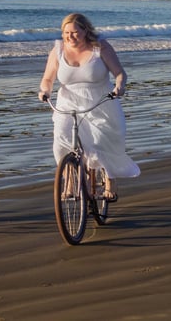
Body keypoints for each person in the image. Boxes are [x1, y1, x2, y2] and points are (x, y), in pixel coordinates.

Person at [37, 12, 139, 201]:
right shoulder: (58, 50)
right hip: (68, 102)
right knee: (62, 141)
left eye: (75, 32)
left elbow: (119, 73)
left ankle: (110, 178)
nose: (70, 37)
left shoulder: (100, 47)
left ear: (85, 31)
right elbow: (48, 78)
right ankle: (69, 181)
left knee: (101, 141)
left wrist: (120, 86)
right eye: (66, 33)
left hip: (100, 101)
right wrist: (45, 91)